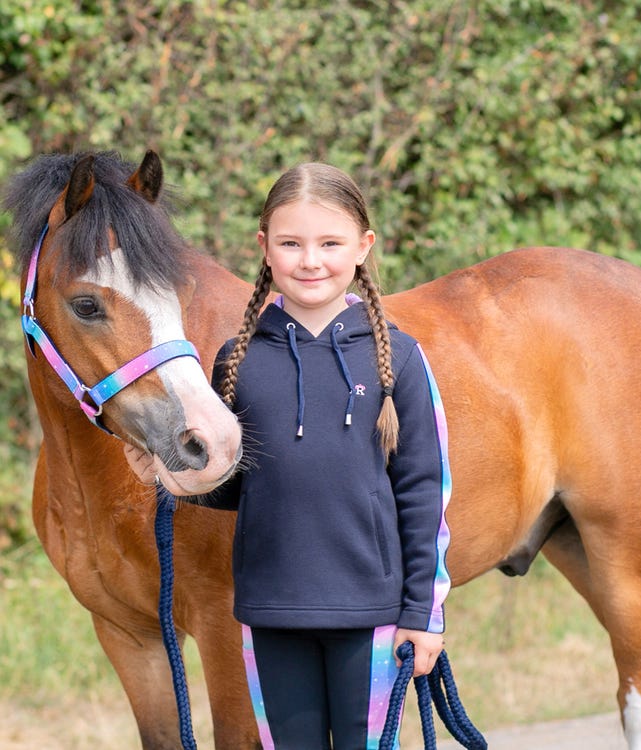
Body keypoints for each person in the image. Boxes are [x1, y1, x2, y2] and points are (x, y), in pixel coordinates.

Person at [125, 162, 451, 749]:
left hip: (371, 615)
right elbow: (233, 487)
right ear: (265, 249)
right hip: (270, 611)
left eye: (330, 243)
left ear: (363, 246)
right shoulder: (235, 360)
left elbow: (425, 492)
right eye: (291, 243)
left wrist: (422, 615)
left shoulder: (398, 359)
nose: (311, 260)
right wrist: (170, 475)